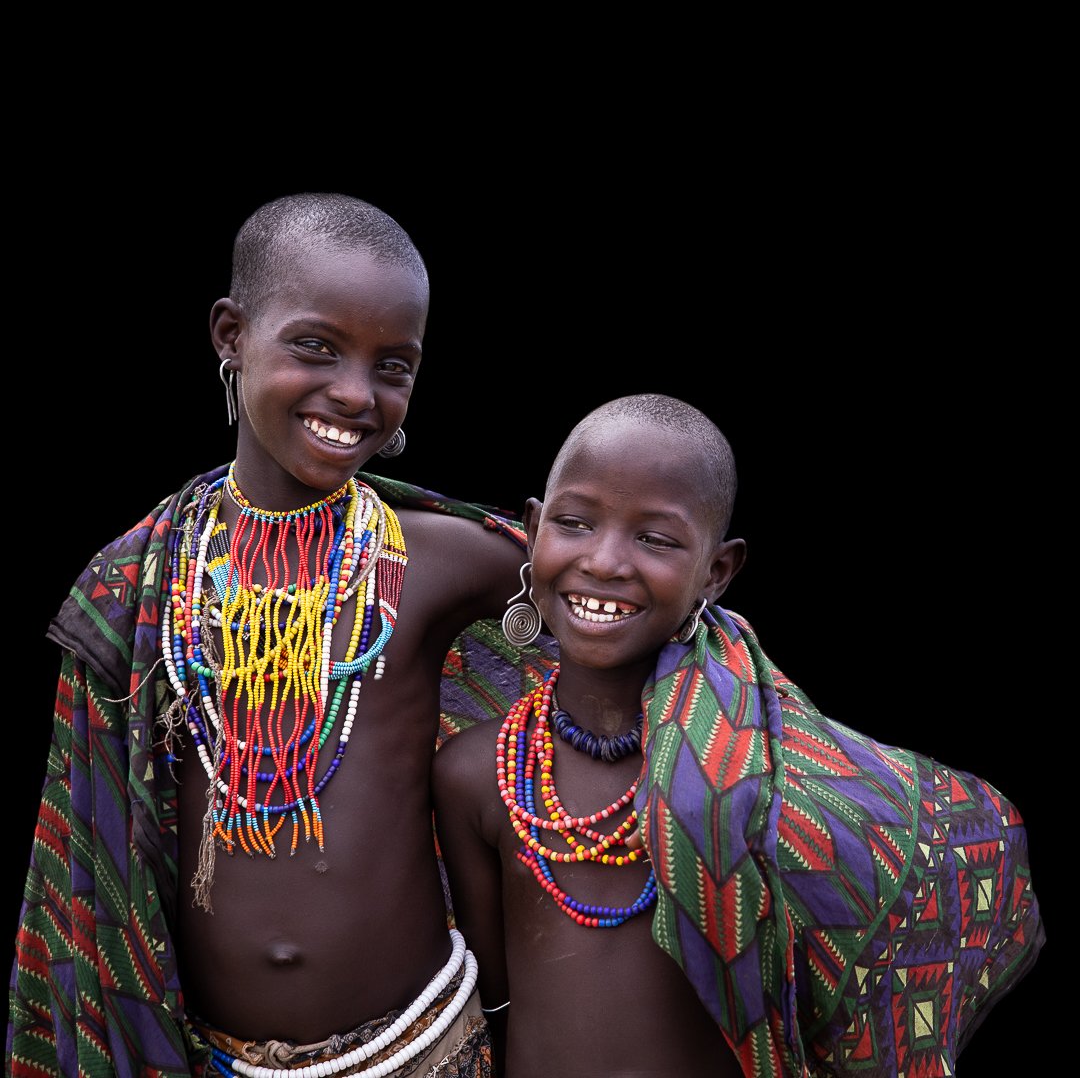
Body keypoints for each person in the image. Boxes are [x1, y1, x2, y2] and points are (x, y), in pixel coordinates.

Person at [6, 192, 557, 1077]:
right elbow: (93, 850)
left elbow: (633, 627)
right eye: (316, 347)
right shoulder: (139, 587)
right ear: (229, 333)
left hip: (430, 1050)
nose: (353, 392)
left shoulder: (449, 561)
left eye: (394, 365)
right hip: (209, 1061)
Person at [431, 393, 1045, 1078]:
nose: (604, 561)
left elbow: (950, 845)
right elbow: (492, 1008)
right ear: (535, 528)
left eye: (656, 539)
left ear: (717, 572)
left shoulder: (766, 780)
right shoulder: (475, 774)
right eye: (574, 523)